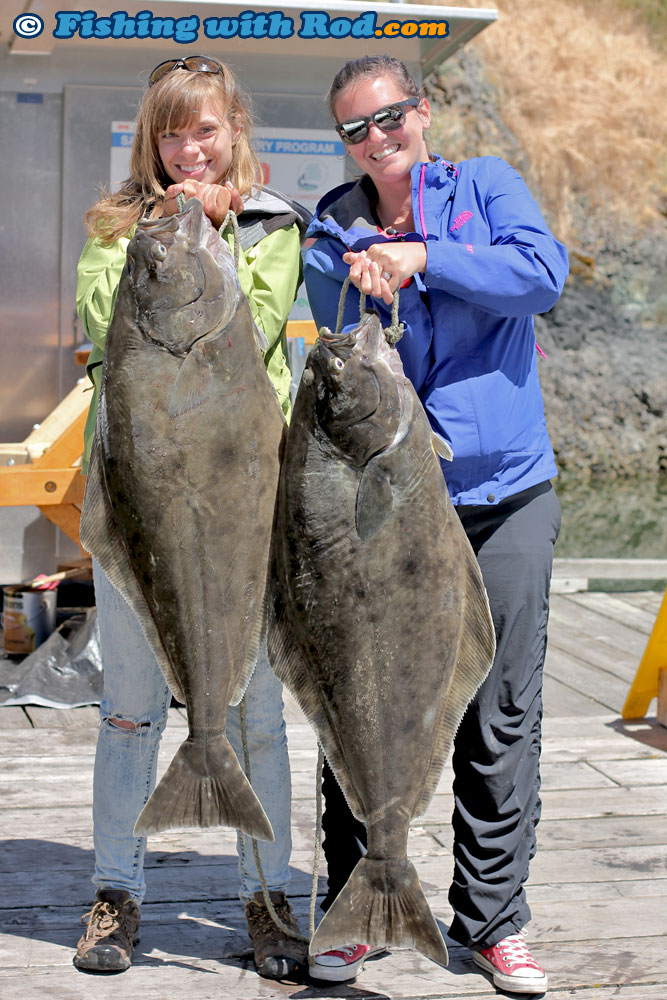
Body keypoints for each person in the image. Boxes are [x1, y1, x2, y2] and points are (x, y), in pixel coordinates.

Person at [303, 55, 567, 994]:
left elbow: (540, 277)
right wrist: (366, 281)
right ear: (343, 142)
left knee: (499, 718)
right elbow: (335, 351)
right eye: (356, 130)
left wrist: (424, 258)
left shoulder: (485, 187)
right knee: (363, 705)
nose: (378, 139)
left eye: (390, 118)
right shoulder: (332, 230)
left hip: (508, 500)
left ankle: (491, 920)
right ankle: (355, 901)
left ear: (422, 111)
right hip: (388, 513)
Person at [73, 55, 310, 980]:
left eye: (204, 128)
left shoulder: (270, 225)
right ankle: (115, 894)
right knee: (130, 713)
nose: (188, 147)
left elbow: (251, 327)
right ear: (151, 137)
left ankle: (267, 897)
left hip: (247, 508)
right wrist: (161, 235)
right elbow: (107, 323)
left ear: (234, 127)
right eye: (172, 131)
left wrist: (225, 238)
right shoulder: (110, 226)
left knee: (256, 715)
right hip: (138, 504)